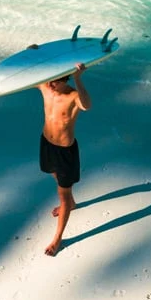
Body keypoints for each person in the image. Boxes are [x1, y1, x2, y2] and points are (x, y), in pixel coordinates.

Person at [38, 62, 91, 256]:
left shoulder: (73, 96)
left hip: (65, 151)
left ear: (66, 79)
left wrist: (78, 78)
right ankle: (72, 203)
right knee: (53, 174)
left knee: (63, 194)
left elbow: (87, 105)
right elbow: (28, 71)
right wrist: (35, 52)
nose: (51, 85)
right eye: (50, 80)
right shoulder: (46, 87)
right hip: (46, 144)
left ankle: (58, 239)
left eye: (56, 82)